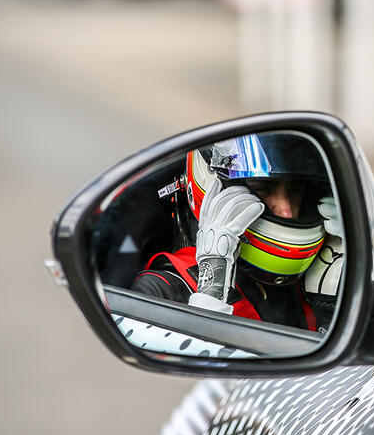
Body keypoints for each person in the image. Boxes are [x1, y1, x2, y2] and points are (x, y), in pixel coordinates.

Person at [129, 133, 344, 332]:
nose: (286, 211)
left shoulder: (309, 281)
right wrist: (209, 295)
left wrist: (330, 305)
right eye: (263, 188)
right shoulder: (160, 289)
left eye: (295, 190)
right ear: (215, 188)